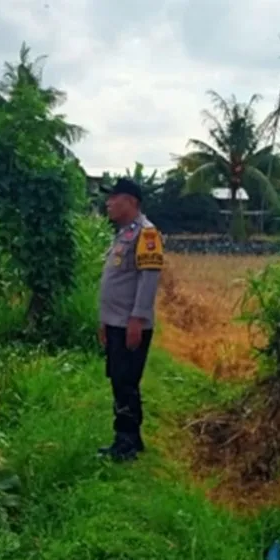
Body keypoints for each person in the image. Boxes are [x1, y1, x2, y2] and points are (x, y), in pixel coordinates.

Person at [97, 178, 164, 462]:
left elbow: (148, 281)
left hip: (130, 324)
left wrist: (137, 319)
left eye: (115, 197)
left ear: (132, 202)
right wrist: (104, 321)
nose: (108, 203)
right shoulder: (125, 234)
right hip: (115, 322)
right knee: (119, 379)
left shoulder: (146, 234)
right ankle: (129, 438)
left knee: (125, 381)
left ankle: (126, 443)